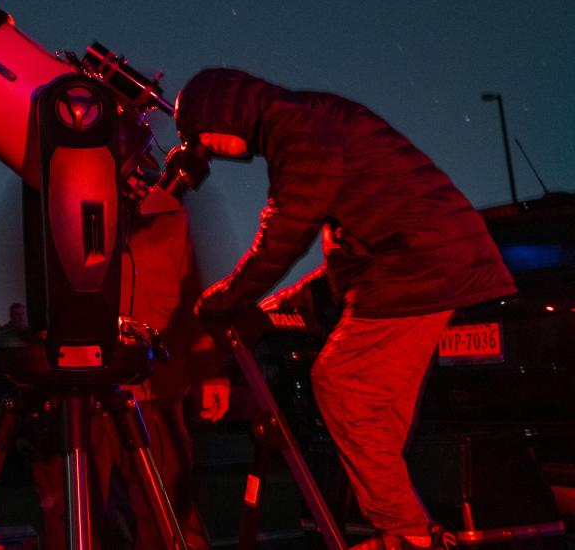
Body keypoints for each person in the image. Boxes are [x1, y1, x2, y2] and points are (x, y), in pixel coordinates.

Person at [176, 68, 517, 550]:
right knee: (374, 416)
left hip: (419, 266)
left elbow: (287, 228)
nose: (207, 150)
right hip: (426, 262)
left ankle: (408, 535)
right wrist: (276, 306)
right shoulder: (309, 118)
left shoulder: (294, 125)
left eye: (200, 137)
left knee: (341, 384)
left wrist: (230, 295)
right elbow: (349, 247)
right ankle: (403, 530)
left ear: (219, 112)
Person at [31, 209, 225, 550]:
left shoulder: (170, 210)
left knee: (171, 516)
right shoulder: (66, 190)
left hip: (157, 390)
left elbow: (192, 288)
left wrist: (209, 367)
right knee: (74, 519)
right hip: (83, 389)